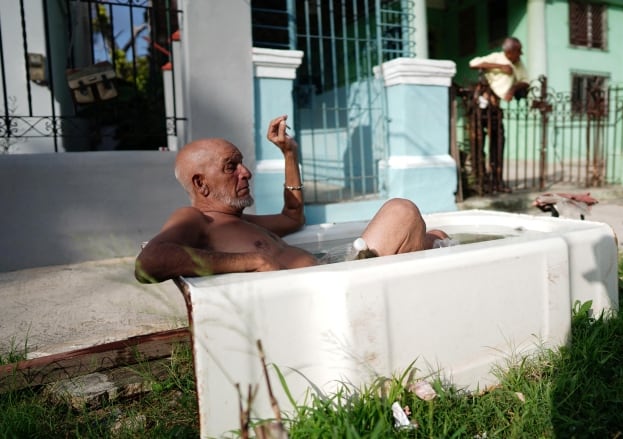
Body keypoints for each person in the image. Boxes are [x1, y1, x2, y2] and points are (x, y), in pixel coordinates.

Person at [135, 115, 449, 283]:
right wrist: (252, 261)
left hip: (336, 272)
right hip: (331, 290)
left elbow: (292, 218)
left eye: (242, 163)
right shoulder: (196, 219)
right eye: (231, 167)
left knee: (437, 235)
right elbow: (150, 262)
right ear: (201, 184)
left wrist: (289, 153)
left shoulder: (238, 222)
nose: (246, 173)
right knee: (401, 211)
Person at [468, 37, 530, 194]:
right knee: (478, 142)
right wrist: (500, 66)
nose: (520, 54)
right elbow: (473, 63)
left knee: (498, 143)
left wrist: (513, 89)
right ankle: (480, 180)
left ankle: (497, 181)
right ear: (509, 52)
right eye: (518, 52)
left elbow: (526, 81)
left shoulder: (518, 64)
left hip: (496, 108)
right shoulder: (497, 57)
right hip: (482, 105)